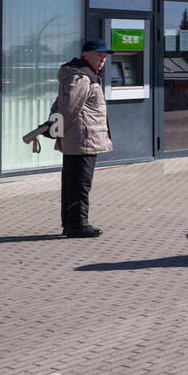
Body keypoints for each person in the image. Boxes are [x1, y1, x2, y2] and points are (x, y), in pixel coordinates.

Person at [55, 40, 114, 238]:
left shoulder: (81, 74)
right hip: (83, 138)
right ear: (86, 54)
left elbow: (61, 105)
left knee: (73, 182)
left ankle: (71, 224)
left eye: (105, 56)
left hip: (79, 138)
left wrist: (57, 128)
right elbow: (69, 108)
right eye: (99, 55)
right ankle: (78, 225)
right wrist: (57, 129)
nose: (102, 59)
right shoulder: (82, 77)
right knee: (80, 183)